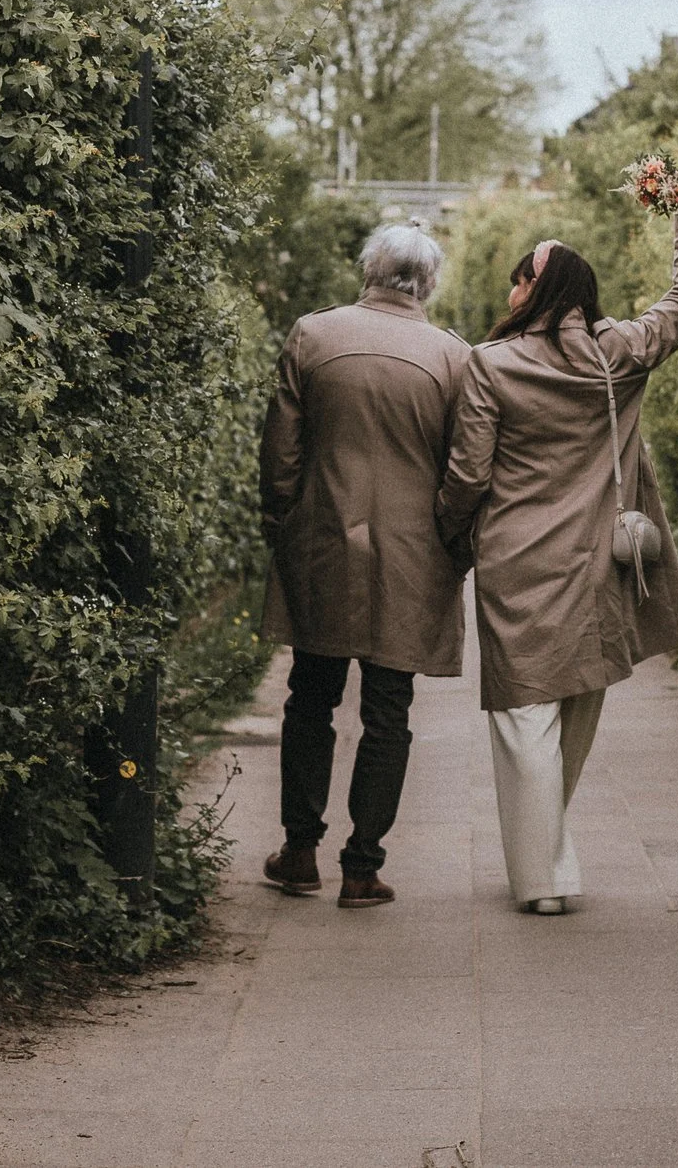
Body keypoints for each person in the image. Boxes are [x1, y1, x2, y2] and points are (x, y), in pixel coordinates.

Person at [437, 169, 678, 913]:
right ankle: (549, 864)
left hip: (517, 562)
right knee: (578, 702)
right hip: (599, 561)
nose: (508, 295)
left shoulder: (490, 365)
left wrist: (449, 539)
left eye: (517, 281)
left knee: (525, 715)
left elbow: (468, 472)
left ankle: (543, 879)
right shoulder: (615, 353)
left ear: (540, 286)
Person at [258, 221, 473, 909]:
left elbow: (281, 453)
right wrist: (447, 540)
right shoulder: (453, 359)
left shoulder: (313, 336)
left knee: (311, 695)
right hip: (413, 556)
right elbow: (467, 472)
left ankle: (298, 849)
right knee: (389, 709)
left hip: (324, 539)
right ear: (428, 281)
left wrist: (285, 524)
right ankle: (361, 865)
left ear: (368, 270)